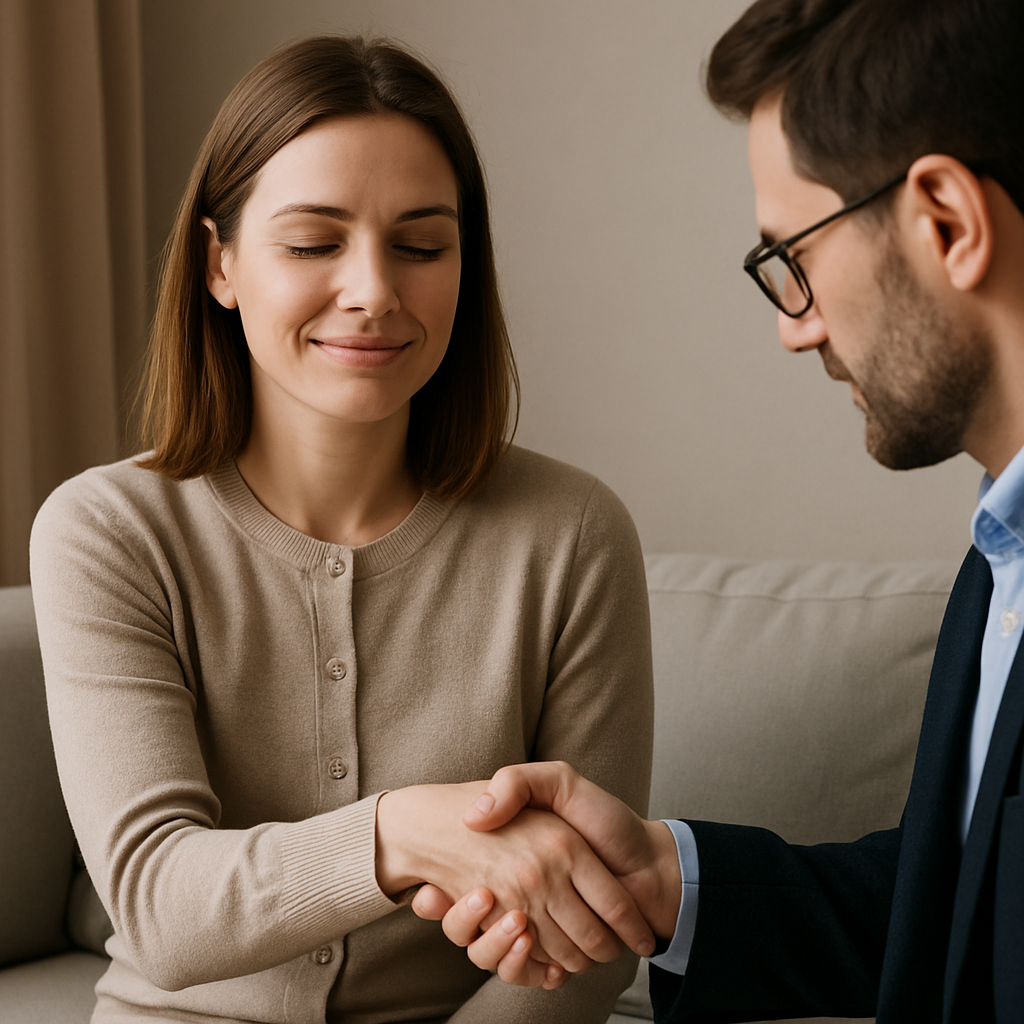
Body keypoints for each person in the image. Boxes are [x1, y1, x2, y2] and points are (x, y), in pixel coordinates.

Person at [412, 0, 1024, 1019]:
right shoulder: (997, 564)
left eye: (796, 257)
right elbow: (955, 919)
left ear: (946, 223)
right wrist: (662, 882)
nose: (798, 329)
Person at [28, 35, 656, 1024]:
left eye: (421, 243)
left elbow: (589, 933)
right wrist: (402, 833)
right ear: (219, 265)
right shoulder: (106, 531)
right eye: (315, 241)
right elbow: (158, 903)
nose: (373, 291)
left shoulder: (573, 535)